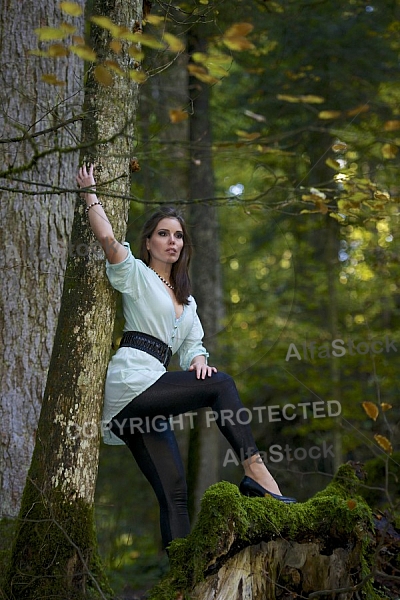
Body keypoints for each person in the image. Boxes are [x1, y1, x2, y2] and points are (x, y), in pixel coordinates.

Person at [76, 164, 296, 550]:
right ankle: (255, 470)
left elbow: (194, 348)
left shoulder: (188, 303)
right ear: (148, 242)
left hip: (151, 398)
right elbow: (109, 240)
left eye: (178, 236)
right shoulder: (137, 275)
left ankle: (181, 580)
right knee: (222, 385)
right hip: (133, 384)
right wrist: (89, 193)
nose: (171, 241)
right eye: (163, 234)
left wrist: (197, 361)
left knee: (174, 494)